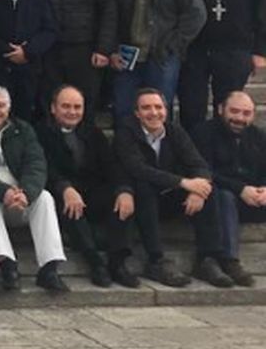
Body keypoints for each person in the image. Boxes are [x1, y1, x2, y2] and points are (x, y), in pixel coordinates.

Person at [113, 88, 233, 287]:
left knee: (208, 191)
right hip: (140, 200)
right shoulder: (125, 133)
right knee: (144, 186)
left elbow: (198, 164)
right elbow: (138, 169)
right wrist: (183, 182)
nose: (154, 113)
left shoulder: (175, 131)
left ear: (166, 110)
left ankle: (207, 258)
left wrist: (198, 189)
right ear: (136, 113)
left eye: (158, 107)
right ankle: (156, 260)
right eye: (146, 108)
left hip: (169, 198)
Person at [0, 83, 68, 293]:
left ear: (8, 108)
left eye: (0, 105)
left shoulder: (23, 129)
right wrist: (4, 192)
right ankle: (7, 265)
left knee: (45, 197)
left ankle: (49, 267)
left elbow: (37, 164)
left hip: (20, 200)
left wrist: (26, 193)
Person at [35, 85, 140, 288]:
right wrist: (64, 187)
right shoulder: (40, 133)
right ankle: (95, 262)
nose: (72, 112)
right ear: (53, 108)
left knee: (121, 198)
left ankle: (118, 263)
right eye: (66, 106)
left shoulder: (92, 132)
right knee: (67, 205)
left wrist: (124, 190)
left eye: (77, 107)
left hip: (91, 191)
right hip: (59, 191)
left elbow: (112, 165)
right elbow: (43, 167)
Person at [177, 0, 266, 133]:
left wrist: (260, 51)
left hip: (235, 50)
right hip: (194, 49)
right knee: (191, 107)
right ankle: (195, 157)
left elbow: (261, 11)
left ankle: (226, 156)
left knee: (229, 107)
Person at [111, 0, 206, 123]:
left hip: (162, 56)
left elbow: (196, 14)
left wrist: (174, 45)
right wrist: (111, 48)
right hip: (127, 57)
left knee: (159, 113)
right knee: (123, 111)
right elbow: (107, 15)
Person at [193, 91, 265, 287]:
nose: (240, 118)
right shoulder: (203, 133)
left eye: (246, 113)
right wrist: (240, 189)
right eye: (234, 111)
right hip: (216, 200)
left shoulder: (258, 136)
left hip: (253, 199)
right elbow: (204, 171)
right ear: (220, 109)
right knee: (220, 194)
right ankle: (222, 260)